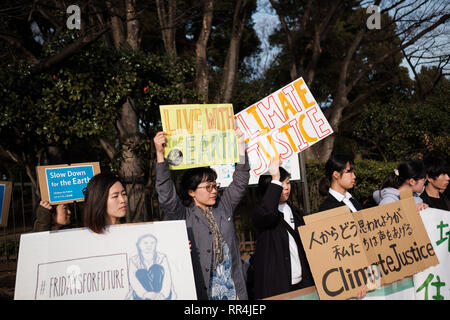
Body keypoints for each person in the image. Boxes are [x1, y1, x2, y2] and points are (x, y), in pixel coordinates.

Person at [153, 128, 250, 300]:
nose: (214, 191)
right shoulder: (185, 215)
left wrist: (240, 147)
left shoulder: (223, 207)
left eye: (215, 185)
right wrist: (160, 156)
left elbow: (241, 180)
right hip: (204, 293)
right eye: (208, 187)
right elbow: (167, 197)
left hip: (235, 292)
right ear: (191, 192)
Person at [251, 158, 314, 299]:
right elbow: (268, 213)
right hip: (277, 287)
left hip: (303, 283)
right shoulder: (261, 214)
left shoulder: (296, 212)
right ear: (270, 188)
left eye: (287, 182)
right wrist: (275, 178)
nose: (286, 187)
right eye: (281, 184)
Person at [127, 234, 176, 300]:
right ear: (139, 245)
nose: (149, 245)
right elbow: (133, 279)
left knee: (156, 268)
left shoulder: (162, 257)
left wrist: (162, 294)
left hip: (161, 295)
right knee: (141, 272)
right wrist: (145, 294)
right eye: (145, 243)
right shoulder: (133, 260)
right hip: (142, 296)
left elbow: (167, 277)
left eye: (152, 243)